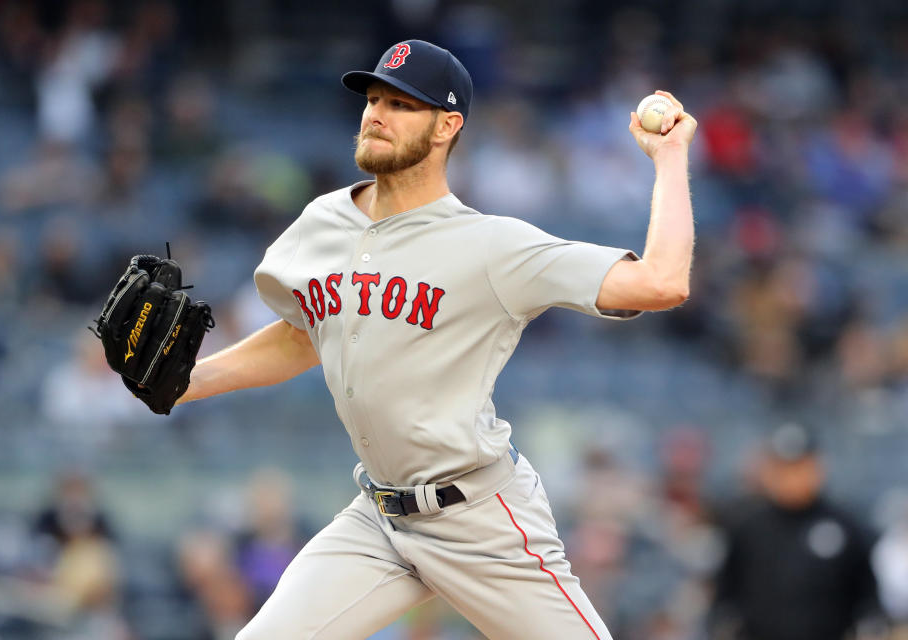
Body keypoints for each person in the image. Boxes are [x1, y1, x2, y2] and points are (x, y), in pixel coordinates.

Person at [177, 40, 696, 639]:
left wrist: (670, 157)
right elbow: (306, 335)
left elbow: (661, 283)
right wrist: (185, 383)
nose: (376, 113)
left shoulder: (493, 246)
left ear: (448, 126)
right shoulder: (325, 220)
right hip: (378, 521)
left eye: (401, 104)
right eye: (373, 98)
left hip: (480, 519)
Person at [709, 422, 884, 640]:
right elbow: (725, 597)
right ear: (769, 470)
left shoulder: (845, 525)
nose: (792, 477)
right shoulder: (746, 526)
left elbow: (868, 600)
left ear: (818, 466)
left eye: (800, 466)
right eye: (784, 467)